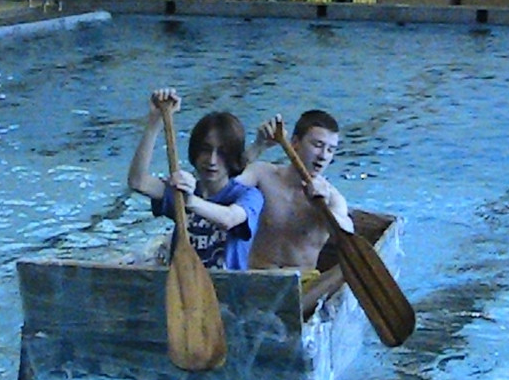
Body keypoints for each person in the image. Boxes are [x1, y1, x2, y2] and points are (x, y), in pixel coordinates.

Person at [127, 88, 263, 270]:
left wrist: (189, 201)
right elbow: (138, 181)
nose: (212, 161)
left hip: (227, 286)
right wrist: (154, 123)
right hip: (182, 284)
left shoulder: (250, 196)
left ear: (233, 158)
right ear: (195, 151)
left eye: (222, 153)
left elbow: (229, 219)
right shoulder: (180, 192)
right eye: (206, 150)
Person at [237, 111, 354, 270]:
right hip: (256, 275)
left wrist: (323, 208)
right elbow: (223, 186)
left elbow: (347, 235)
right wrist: (258, 147)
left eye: (330, 150)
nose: (323, 156)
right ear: (295, 143)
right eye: (317, 145)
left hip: (303, 281)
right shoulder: (262, 175)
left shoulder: (332, 198)